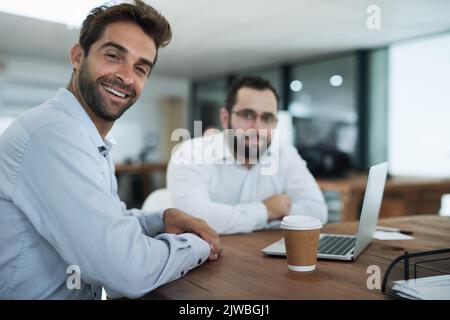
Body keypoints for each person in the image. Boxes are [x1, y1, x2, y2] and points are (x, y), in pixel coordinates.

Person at [0, 0, 220, 300]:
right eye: (114, 55)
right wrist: (199, 244)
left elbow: (105, 221)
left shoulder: (85, 137)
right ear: (78, 56)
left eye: (140, 68)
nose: (127, 77)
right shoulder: (52, 135)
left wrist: (161, 219)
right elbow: (127, 270)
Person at [167, 76, 328, 235]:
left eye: (267, 118)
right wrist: (265, 211)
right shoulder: (191, 153)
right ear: (225, 118)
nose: (257, 128)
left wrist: (276, 210)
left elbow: (317, 211)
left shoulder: (285, 155)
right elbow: (193, 218)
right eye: (247, 115)